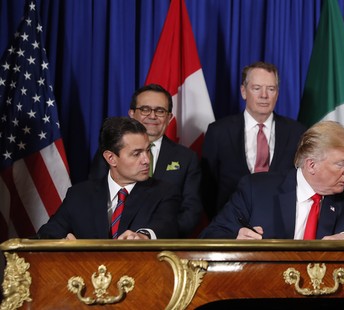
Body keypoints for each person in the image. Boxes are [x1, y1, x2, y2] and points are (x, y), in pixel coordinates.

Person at [199, 121, 344, 240]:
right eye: (341, 163)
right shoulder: (256, 190)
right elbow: (211, 236)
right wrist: (236, 239)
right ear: (311, 165)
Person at [89, 84, 203, 237]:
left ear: (169, 117)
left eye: (160, 111)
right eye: (145, 109)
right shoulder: (111, 152)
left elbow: (190, 212)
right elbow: (94, 196)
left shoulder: (187, 158)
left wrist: (151, 236)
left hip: (164, 246)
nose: (152, 116)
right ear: (131, 113)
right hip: (112, 243)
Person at [37, 117, 180, 239]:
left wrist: (143, 236)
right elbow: (47, 233)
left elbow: (165, 226)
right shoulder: (79, 195)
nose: (146, 160)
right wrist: (63, 242)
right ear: (111, 158)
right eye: (137, 154)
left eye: (147, 151)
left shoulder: (163, 192)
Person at [201, 61, 306, 219]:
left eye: (271, 89)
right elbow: (207, 188)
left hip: (281, 226)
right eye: (256, 88)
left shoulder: (297, 132)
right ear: (244, 91)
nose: (264, 95)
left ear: (277, 93)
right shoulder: (218, 132)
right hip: (230, 226)